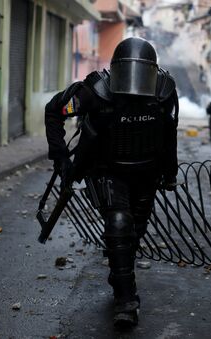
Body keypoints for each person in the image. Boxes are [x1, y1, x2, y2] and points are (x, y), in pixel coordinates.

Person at [44, 37, 179, 329]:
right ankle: (126, 301)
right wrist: (61, 159)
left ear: (152, 72)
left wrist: (170, 172)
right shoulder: (95, 91)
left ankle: (119, 271)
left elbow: (170, 131)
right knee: (118, 223)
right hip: (108, 171)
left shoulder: (165, 90)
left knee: (133, 232)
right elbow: (54, 111)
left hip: (147, 172)